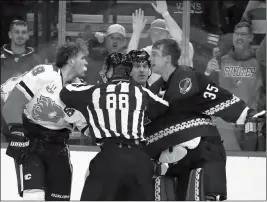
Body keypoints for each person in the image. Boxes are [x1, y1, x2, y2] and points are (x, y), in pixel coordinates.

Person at [144, 38, 265, 200]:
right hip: (173, 162)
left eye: (154, 55)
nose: (150, 59)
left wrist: (246, 114)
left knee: (205, 196)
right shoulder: (155, 88)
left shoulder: (188, 77)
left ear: (167, 59)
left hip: (203, 154)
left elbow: (217, 96)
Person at [59, 52, 169, 201]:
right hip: (139, 161)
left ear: (110, 70)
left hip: (109, 158)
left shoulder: (94, 91)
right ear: (129, 71)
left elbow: (65, 92)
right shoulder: (141, 92)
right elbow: (164, 107)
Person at [2, 40, 89, 200]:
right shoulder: (44, 73)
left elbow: (88, 129)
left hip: (59, 149)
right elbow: (12, 104)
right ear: (71, 60)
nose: (86, 62)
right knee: (33, 198)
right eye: (83, 58)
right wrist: (16, 130)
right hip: (32, 144)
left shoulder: (80, 90)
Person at [205, 22, 263, 150]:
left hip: (249, 124)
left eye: (243, 34)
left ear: (251, 37)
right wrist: (208, 71)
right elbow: (207, 88)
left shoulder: (259, 63)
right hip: (224, 125)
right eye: (236, 34)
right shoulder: (221, 61)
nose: (239, 37)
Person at [127, 1, 194, 85]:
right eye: (153, 33)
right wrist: (136, 32)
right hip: (155, 95)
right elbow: (129, 59)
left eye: (160, 33)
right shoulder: (148, 51)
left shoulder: (179, 48)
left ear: (169, 34)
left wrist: (165, 14)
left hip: (181, 93)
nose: (157, 36)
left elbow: (182, 40)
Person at [1, 20, 42, 140]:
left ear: (28, 35)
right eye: (16, 32)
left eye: (23, 32)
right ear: (10, 34)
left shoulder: (36, 60)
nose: (20, 35)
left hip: (26, 124)